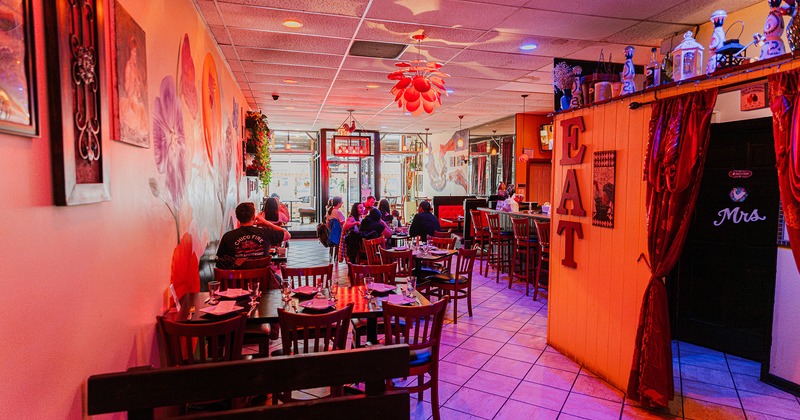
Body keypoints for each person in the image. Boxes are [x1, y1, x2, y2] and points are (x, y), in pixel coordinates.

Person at [217, 202, 290, 268]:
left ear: (237, 218)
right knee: (278, 280)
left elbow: (220, 259)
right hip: (262, 279)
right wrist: (265, 222)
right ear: (253, 217)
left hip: (238, 279)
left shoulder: (228, 236)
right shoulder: (265, 233)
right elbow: (287, 235)